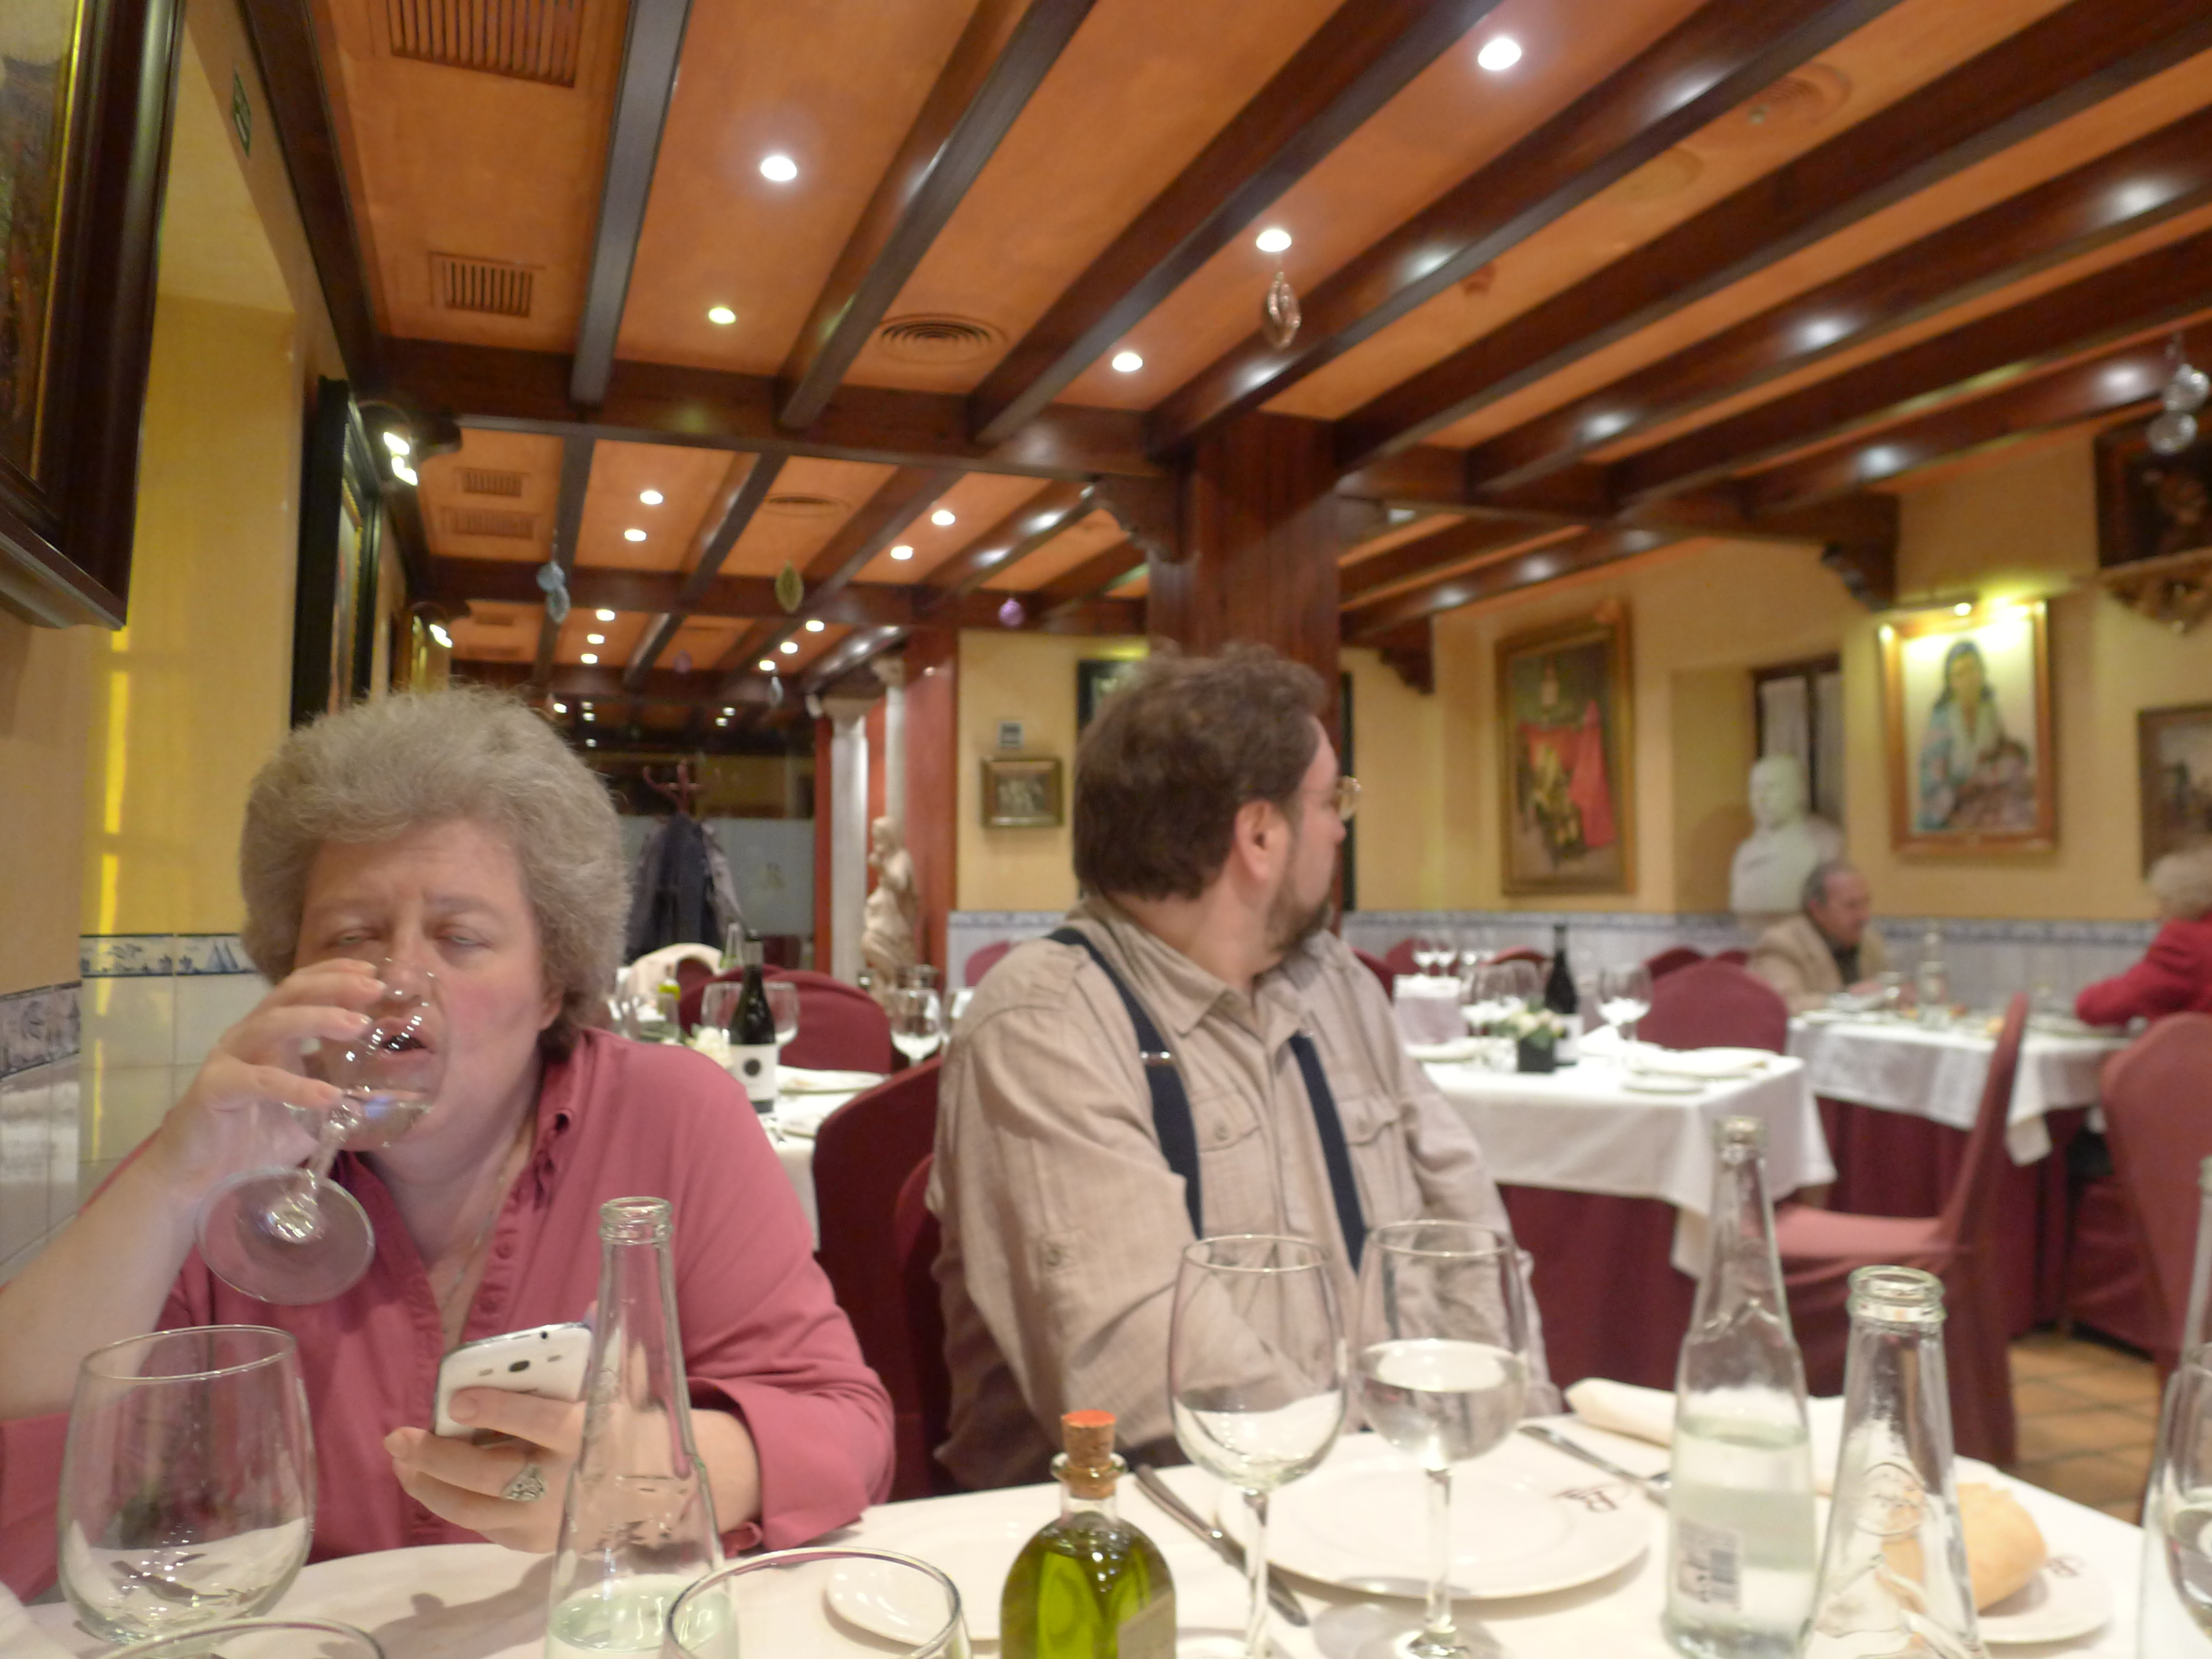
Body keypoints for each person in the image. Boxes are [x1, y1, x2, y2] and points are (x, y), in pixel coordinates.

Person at [0, 689, 891, 1596]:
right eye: (351, 936)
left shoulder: (672, 1116)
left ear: (552, 984)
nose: (398, 980)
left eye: (460, 938)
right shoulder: (235, 1154)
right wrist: (173, 1179)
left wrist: (646, 1475)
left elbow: (843, 1428)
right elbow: (22, 1493)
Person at [930, 646, 1549, 1490]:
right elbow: (1148, 1387)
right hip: (1142, 1537)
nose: (1340, 828)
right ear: (1260, 836)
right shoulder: (1045, 1025)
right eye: (1331, 802)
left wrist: (1509, 1449)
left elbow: (1465, 1235)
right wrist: (1377, 1486)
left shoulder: (1335, 984)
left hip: (1401, 1493)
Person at [2076, 846, 2212, 1026]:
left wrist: (2089, 998)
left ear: (2181, 901)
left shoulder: (2185, 942)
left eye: (2163, 902)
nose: (2156, 915)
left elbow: (2109, 1004)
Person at [1916, 638, 2036, 834]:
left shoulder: (1989, 711)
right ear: (1951, 682)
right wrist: (1958, 797)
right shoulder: (1941, 718)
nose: (1969, 679)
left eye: (1973, 669)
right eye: (1960, 673)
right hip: (1953, 804)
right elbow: (1931, 774)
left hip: (1987, 796)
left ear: (1982, 672)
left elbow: (2001, 751)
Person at [1749, 860, 1892, 1014]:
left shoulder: (1869, 941)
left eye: (1866, 904)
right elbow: (1782, 1006)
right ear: (1817, 909)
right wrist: (1847, 998)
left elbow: (1883, 991)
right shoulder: (1782, 944)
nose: (1864, 916)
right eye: (1851, 906)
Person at [1730, 754, 1844, 927]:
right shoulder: (1745, 853)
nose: (1761, 798)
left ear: (1799, 792)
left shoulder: (1826, 845)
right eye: (1755, 789)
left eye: (1771, 788)